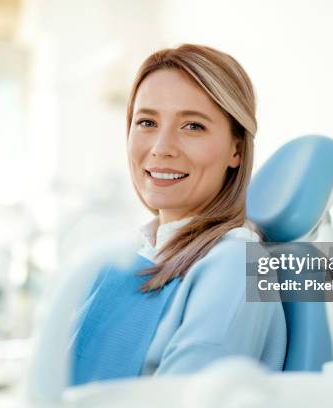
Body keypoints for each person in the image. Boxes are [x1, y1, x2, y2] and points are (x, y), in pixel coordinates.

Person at [71, 44, 286, 385]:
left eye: (192, 126)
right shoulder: (133, 256)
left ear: (236, 149)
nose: (161, 147)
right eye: (146, 122)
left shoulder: (235, 266)